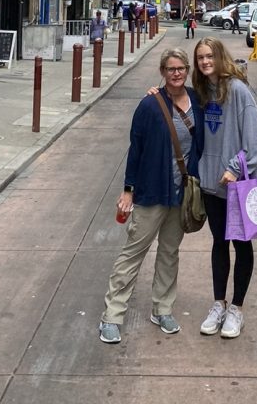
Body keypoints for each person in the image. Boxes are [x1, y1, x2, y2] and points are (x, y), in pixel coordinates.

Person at [99, 48, 204, 345]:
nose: (176, 73)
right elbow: (136, 149)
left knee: (170, 252)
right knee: (133, 252)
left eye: (181, 68)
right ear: (162, 71)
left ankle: (163, 308)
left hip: (181, 193)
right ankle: (112, 315)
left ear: (187, 70)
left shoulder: (198, 100)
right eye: (171, 69)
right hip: (150, 191)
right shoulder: (148, 105)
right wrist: (128, 189)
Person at [192, 37, 257, 340]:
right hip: (210, 185)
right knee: (219, 243)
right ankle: (218, 303)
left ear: (220, 57)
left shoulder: (238, 91)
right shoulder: (200, 92)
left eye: (209, 56)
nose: (205, 62)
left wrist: (234, 169)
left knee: (241, 244)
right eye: (200, 58)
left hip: (236, 185)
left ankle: (237, 308)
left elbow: (255, 139)